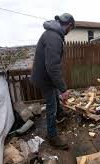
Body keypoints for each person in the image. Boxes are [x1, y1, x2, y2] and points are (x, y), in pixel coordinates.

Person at [30, 13, 75, 150]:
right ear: (69, 25)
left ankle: (61, 113)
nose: (69, 32)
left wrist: (59, 88)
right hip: (45, 78)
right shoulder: (54, 37)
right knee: (51, 106)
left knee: (55, 97)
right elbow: (52, 67)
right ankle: (52, 135)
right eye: (70, 29)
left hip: (46, 75)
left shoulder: (53, 34)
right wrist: (63, 89)